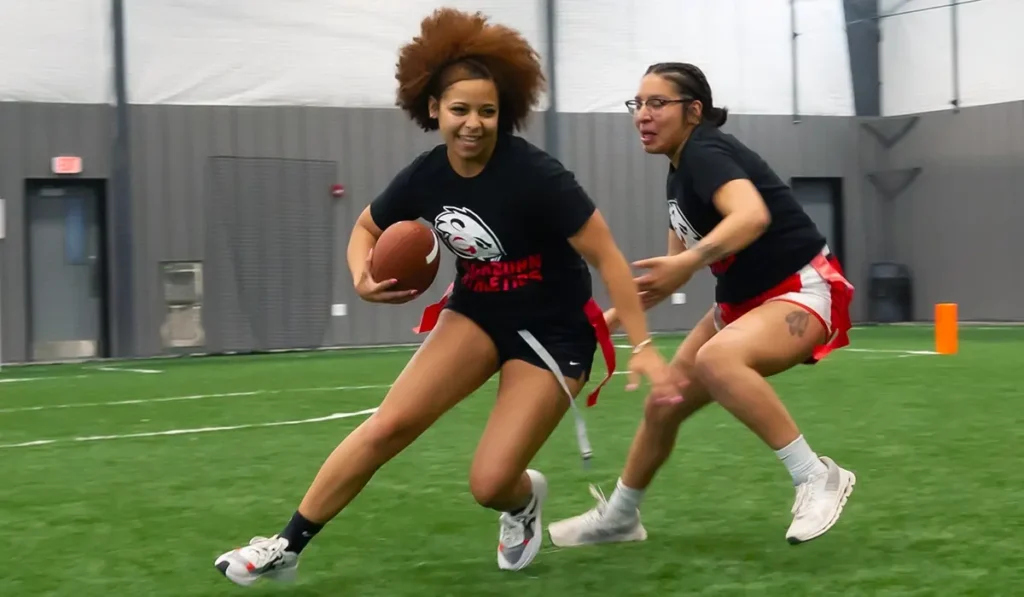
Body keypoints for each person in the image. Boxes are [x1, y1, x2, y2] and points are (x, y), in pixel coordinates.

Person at [213, 9, 681, 586]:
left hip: (554, 335)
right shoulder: (424, 176)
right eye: (459, 109)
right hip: (478, 312)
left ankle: (521, 501)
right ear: (432, 108)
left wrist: (644, 346)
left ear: (502, 111)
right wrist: (362, 277)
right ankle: (286, 545)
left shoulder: (538, 176)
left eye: (487, 111)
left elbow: (607, 256)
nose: (473, 124)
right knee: (388, 425)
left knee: (489, 484)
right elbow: (364, 228)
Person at [547, 62, 857, 549]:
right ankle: (621, 518)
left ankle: (816, 476)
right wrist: (604, 324)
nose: (642, 116)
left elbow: (751, 216)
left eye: (657, 103)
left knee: (718, 358)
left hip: (798, 290)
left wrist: (689, 259)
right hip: (740, 306)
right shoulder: (679, 175)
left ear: (694, 111)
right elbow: (669, 276)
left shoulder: (706, 151)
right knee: (663, 403)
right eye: (638, 104)